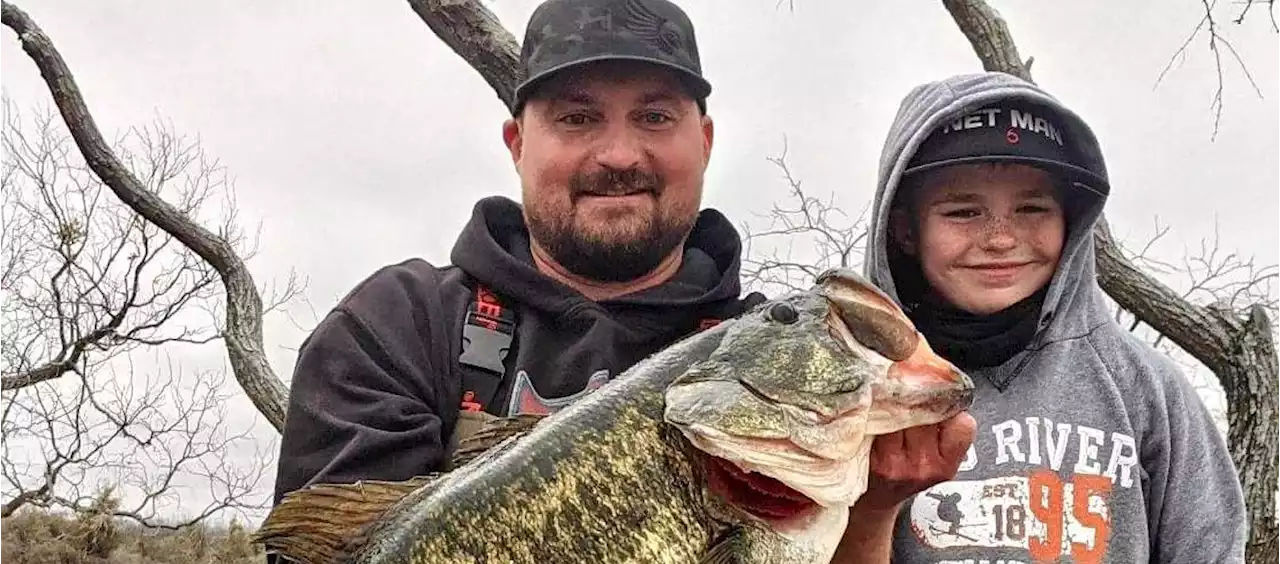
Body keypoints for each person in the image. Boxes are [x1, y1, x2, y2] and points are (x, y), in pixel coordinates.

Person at [269, 0, 970, 561]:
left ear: (705, 141)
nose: (617, 152)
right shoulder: (395, 324)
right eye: (577, 118)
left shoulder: (754, 347)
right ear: (517, 145)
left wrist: (875, 509)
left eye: (655, 116)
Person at [834, 71, 1248, 563]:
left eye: (1032, 209)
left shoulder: (1145, 387)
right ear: (904, 230)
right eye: (963, 212)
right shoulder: (850, 389)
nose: (1001, 239)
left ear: (1070, 223)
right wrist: (873, 510)